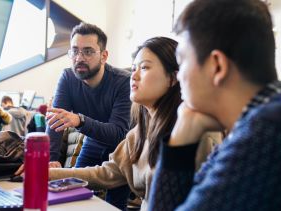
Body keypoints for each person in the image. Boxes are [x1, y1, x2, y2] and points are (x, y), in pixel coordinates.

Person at [148, 0, 281, 210]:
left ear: (217, 66)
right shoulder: (261, 120)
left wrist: (180, 141)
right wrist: (185, 131)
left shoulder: (270, 129)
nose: (179, 76)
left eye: (181, 63)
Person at [48, 37, 220, 211]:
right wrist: (46, 173)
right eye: (133, 68)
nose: (134, 76)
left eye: (144, 67)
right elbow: (106, 173)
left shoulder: (197, 133)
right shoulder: (138, 134)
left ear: (173, 78)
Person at [46, 22, 132, 209]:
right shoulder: (68, 78)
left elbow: (118, 132)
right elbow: (55, 120)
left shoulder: (123, 81)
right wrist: (52, 158)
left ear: (104, 56)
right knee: (75, 195)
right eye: (75, 51)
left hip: (125, 148)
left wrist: (80, 120)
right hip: (94, 140)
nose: (79, 58)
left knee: (114, 205)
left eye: (88, 51)